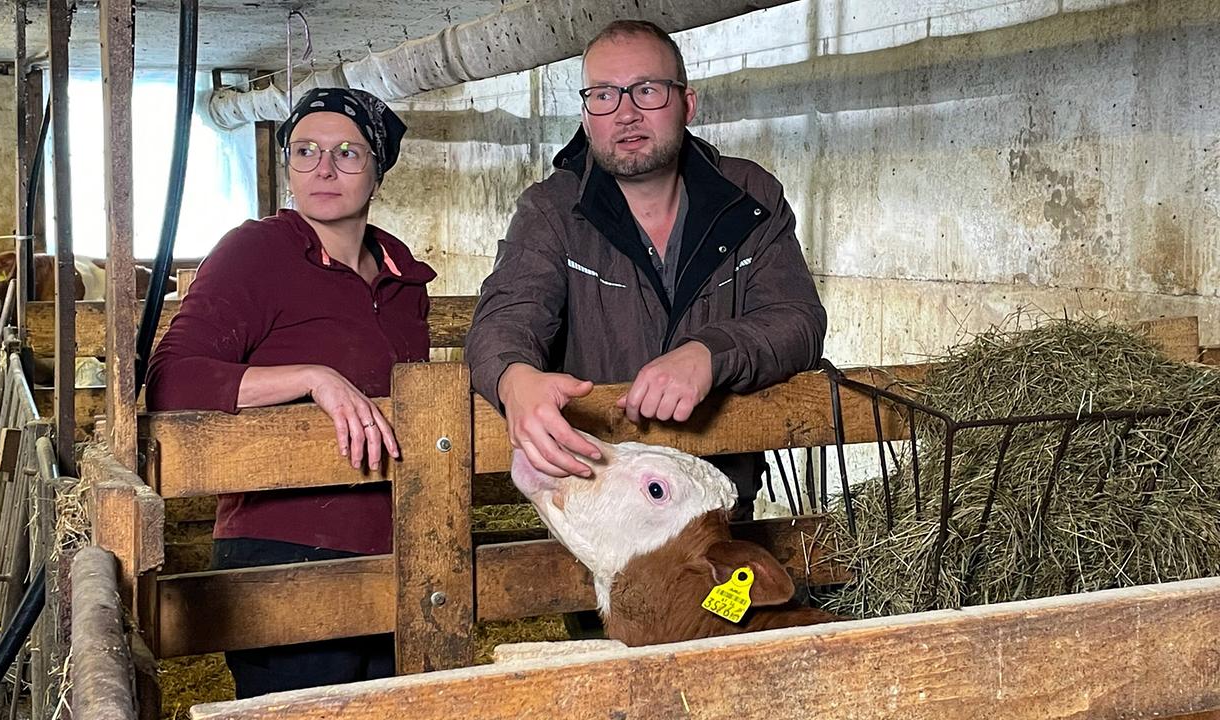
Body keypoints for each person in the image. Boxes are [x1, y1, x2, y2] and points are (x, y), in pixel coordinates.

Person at [465, 19, 827, 520]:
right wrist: (513, 377)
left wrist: (709, 353)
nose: (626, 113)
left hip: (715, 497)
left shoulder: (750, 197)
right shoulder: (553, 210)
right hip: (602, 504)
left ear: (687, 103)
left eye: (647, 90)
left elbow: (799, 321)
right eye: (604, 96)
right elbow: (507, 314)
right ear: (587, 114)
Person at [146, 87, 434, 698]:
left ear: (377, 171)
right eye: (305, 151)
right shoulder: (255, 252)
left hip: (403, 543)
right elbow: (171, 379)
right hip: (280, 547)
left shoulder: (404, 278)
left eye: (347, 153)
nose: (324, 169)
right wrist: (312, 378)